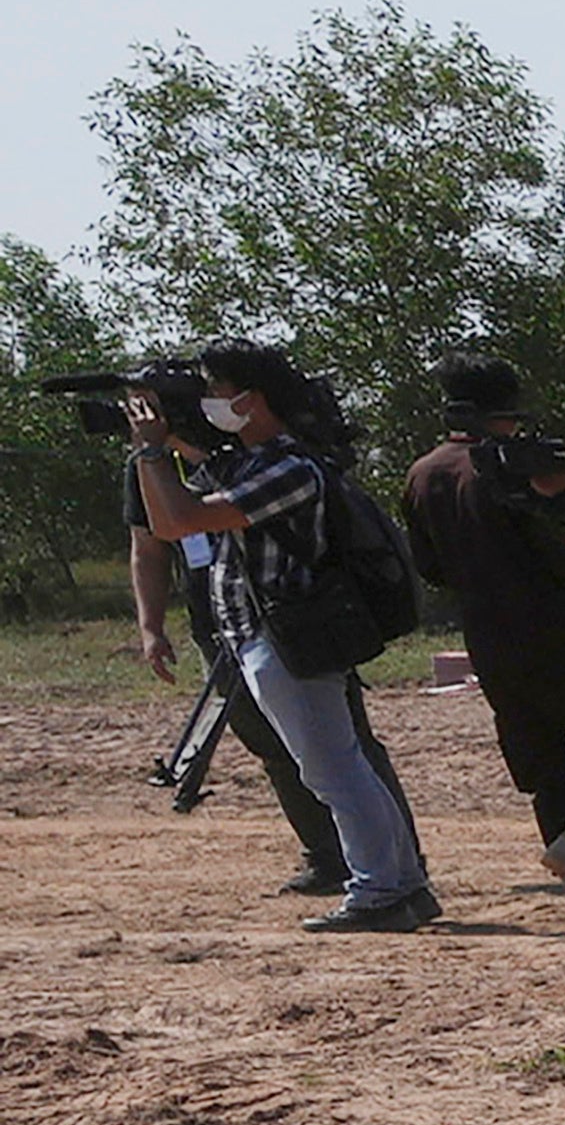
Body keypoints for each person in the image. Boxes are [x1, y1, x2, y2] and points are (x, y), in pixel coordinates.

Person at [125, 343, 434, 932]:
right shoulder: (249, 462)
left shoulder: (289, 468)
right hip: (267, 640)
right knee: (340, 766)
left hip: (289, 639)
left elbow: (177, 521)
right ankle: (402, 886)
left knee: (333, 772)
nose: (210, 401)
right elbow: (181, 502)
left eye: (215, 390)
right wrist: (168, 434)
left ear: (252, 399)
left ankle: (381, 890)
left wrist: (150, 450)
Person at [402, 355, 565, 930]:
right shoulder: (509, 469)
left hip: (486, 640)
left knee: (548, 772)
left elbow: (432, 568)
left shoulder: (423, 473)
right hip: (550, 631)